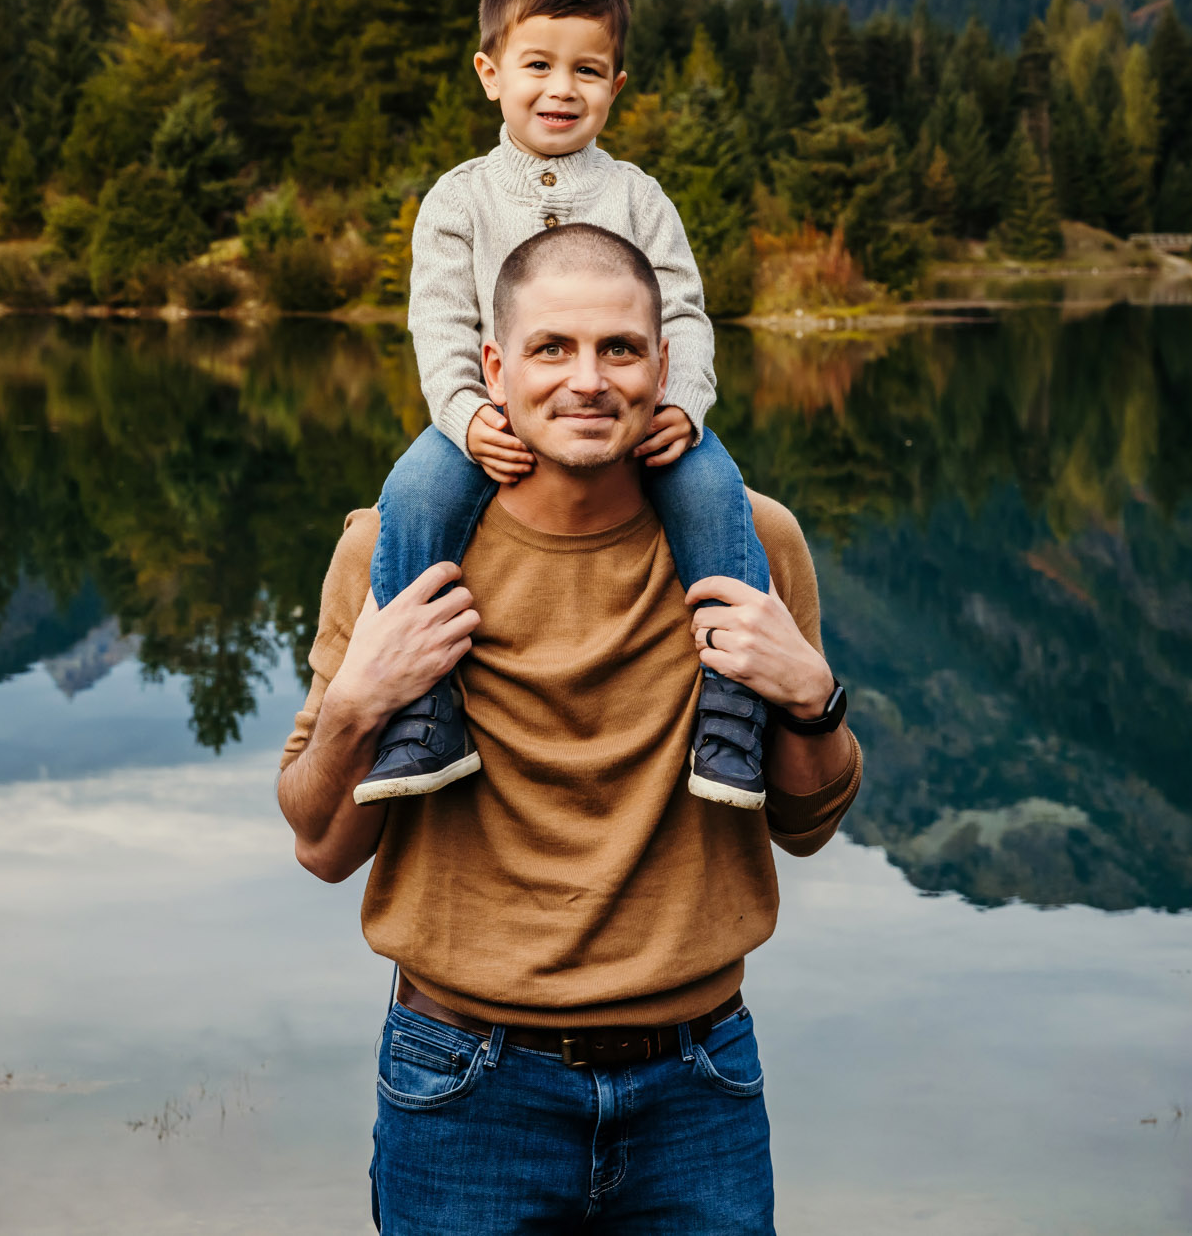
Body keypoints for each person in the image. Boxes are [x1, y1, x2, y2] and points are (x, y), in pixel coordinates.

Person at [276, 223, 860, 1235]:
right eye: (552, 348)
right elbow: (321, 845)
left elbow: (804, 825)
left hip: (698, 1083)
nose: (587, 380)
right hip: (463, 1085)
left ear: (663, 364)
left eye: (618, 349)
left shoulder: (752, 543)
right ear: (493, 368)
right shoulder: (394, 551)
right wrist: (359, 702)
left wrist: (811, 696)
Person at [356, 0, 775, 810]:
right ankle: (424, 708)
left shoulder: (638, 196)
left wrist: (684, 407)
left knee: (712, 489)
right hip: (491, 417)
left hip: (635, 420)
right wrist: (467, 415)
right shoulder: (458, 200)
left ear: (615, 85)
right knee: (415, 491)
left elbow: (686, 317)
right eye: (537, 65)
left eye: (586, 70)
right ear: (490, 73)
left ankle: (733, 707)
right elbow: (438, 324)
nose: (561, 87)